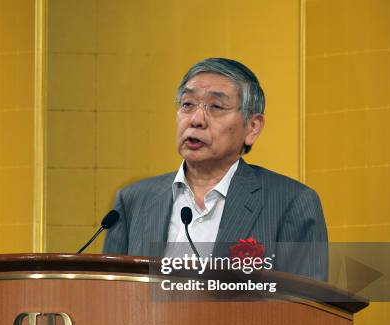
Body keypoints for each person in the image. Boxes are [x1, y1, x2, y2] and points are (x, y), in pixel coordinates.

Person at [103, 58, 328, 281]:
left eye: (216, 107)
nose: (196, 119)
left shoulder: (291, 203)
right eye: (187, 104)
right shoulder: (133, 200)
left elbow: (308, 309)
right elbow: (109, 296)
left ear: (252, 127)